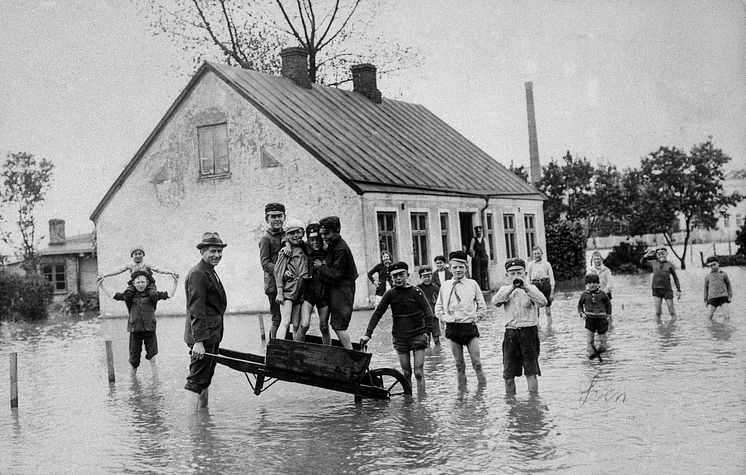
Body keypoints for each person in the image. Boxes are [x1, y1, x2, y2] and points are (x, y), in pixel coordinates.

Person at [361, 261, 433, 392]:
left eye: (401, 275)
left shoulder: (417, 292)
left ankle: (422, 404)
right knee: (406, 373)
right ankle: (409, 401)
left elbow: (429, 313)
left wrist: (427, 332)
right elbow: (377, 314)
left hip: (418, 336)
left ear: (407, 275)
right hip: (400, 338)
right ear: (391, 278)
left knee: (418, 372)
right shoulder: (390, 294)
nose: (398, 278)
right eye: (395, 276)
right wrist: (368, 334)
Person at [99, 270, 178, 371]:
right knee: (134, 360)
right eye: (138, 282)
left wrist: (175, 282)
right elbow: (113, 295)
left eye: (143, 282)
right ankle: (133, 380)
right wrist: (102, 285)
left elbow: (170, 294)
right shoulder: (129, 296)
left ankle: (155, 380)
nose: (140, 285)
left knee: (152, 357)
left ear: (147, 283)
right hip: (135, 330)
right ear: (133, 283)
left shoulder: (152, 295)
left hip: (150, 329)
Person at [184, 232, 227, 410]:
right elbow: (196, 309)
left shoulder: (209, 271)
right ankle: (192, 426)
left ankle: (203, 419)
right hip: (203, 336)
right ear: (202, 252)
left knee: (205, 377)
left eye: (219, 251)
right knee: (196, 379)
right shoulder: (198, 274)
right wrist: (199, 342)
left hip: (212, 334)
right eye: (212, 251)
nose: (217, 255)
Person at [491, 258, 547, 395]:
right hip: (510, 334)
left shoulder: (531, 288)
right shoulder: (504, 289)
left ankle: (533, 404)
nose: (516, 276)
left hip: (529, 333)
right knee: (508, 375)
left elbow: (543, 302)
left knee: (531, 372)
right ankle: (511, 405)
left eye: (519, 273)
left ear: (525, 274)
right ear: (506, 275)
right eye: (512, 273)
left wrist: (525, 287)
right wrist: (512, 287)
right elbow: (495, 302)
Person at [434, 250, 488, 387]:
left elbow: (482, 307)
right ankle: (462, 395)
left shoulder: (472, 284)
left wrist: (474, 317)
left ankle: (482, 394)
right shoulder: (445, 286)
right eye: (455, 267)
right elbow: (438, 308)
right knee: (459, 365)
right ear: (450, 268)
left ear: (466, 268)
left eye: (461, 267)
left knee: (477, 362)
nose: (458, 270)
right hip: (453, 329)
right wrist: (445, 318)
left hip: (469, 328)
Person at [315, 216, 358, 349]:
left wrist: (320, 267)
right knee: (336, 325)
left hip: (343, 290)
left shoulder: (341, 248)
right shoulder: (334, 245)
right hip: (337, 289)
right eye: (322, 234)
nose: (324, 237)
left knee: (339, 325)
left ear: (337, 231)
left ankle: (351, 355)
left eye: (327, 233)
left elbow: (336, 275)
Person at [274, 219, 309, 341]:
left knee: (296, 324)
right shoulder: (285, 251)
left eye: (298, 232)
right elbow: (278, 271)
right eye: (291, 233)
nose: (295, 235)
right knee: (285, 321)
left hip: (300, 291)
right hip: (288, 290)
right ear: (287, 235)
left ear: (303, 233)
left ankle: (295, 352)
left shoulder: (304, 248)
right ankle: (278, 348)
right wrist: (279, 292)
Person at [300, 223, 332, 344]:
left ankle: (326, 355)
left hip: (324, 294)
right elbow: (289, 238)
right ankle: (297, 352)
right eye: (312, 239)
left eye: (317, 239)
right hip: (308, 293)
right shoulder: (305, 248)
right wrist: (286, 245)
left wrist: (323, 265)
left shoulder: (329, 251)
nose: (315, 242)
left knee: (324, 327)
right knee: (304, 325)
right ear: (308, 239)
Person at [259, 203, 286, 339]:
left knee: (288, 320)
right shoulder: (266, 239)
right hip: (273, 286)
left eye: (279, 216)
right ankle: (273, 348)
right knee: (277, 319)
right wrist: (281, 271)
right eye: (273, 217)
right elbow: (265, 263)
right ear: (267, 219)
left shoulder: (288, 235)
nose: (277, 219)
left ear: (284, 217)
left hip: (289, 284)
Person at [97, 245, 178, 290]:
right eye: (135, 254)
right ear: (132, 256)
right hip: (135, 283)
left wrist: (170, 272)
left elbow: (158, 269)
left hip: (148, 283)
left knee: (153, 293)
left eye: (140, 253)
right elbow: (118, 270)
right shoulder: (129, 265)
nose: (138, 256)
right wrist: (105, 275)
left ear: (143, 254)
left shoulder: (147, 264)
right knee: (128, 293)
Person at [640, 245, 681, 321]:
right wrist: (648, 253)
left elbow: (675, 278)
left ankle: (672, 328)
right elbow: (642, 262)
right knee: (658, 312)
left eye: (663, 253)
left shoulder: (670, 265)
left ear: (666, 254)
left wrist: (678, 290)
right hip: (656, 290)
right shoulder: (653, 263)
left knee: (672, 312)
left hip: (667, 290)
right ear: (656, 255)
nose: (661, 255)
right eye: (659, 254)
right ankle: (659, 329)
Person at [577, 273, 612, 359]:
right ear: (586, 284)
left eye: (594, 282)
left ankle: (603, 357)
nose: (592, 285)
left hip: (602, 319)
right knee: (589, 340)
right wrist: (582, 313)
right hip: (589, 319)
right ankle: (591, 358)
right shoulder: (584, 294)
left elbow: (608, 304)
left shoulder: (603, 294)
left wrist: (608, 315)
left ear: (598, 283)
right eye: (589, 283)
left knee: (603, 341)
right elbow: (579, 305)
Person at [526, 246, 555, 324]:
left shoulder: (546, 264)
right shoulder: (530, 265)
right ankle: (537, 326)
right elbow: (528, 278)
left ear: (542, 254)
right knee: (536, 309)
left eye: (538, 253)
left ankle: (550, 326)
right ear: (532, 255)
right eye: (535, 253)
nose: (537, 255)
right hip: (535, 285)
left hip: (545, 284)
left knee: (548, 308)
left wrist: (552, 292)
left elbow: (552, 278)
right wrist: (529, 291)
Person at [416, 265, 441, 347]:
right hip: (423, 319)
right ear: (420, 277)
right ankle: (428, 355)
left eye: (429, 276)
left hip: (434, 318)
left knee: (437, 338)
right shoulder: (417, 289)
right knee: (426, 339)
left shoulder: (436, 288)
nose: (427, 279)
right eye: (424, 277)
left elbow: (440, 302)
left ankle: (438, 354)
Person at [587, 250, 614, 325]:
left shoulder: (606, 270)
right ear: (592, 260)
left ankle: (609, 329)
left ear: (601, 259)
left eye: (598, 259)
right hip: (594, 295)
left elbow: (609, 283)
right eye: (595, 259)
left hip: (605, 294)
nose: (596, 260)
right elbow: (587, 283)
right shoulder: (590, 271)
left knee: (607, 314)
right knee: (595, 314)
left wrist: (604, 292)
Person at [704, 256, 732, 321]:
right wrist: (705, 300)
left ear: (718, 263)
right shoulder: (708, 276)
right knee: (708, 317)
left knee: (727, 316)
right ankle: (712, 329)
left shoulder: (723, 274)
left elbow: (728, 285)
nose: (713, 266)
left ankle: (726, 329)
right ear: (709, 266)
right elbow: (705, 289)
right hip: (712, 298)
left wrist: (730, 296)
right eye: (711, 265)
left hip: (723, 297)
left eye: (714, 264)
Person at [469, 226, 489, 290]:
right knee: (477, 272)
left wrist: (486, 256)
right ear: (476, 232)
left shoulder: (484, 239)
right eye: (477, 232)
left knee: (484, 272)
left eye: (480, 232)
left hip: (483, 257)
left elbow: (486, 248)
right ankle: (478, 287)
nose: (479, 233)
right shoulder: (473, 240)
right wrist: (473, 254)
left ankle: (484, 286)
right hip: (477, 257)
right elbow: (471, 249)